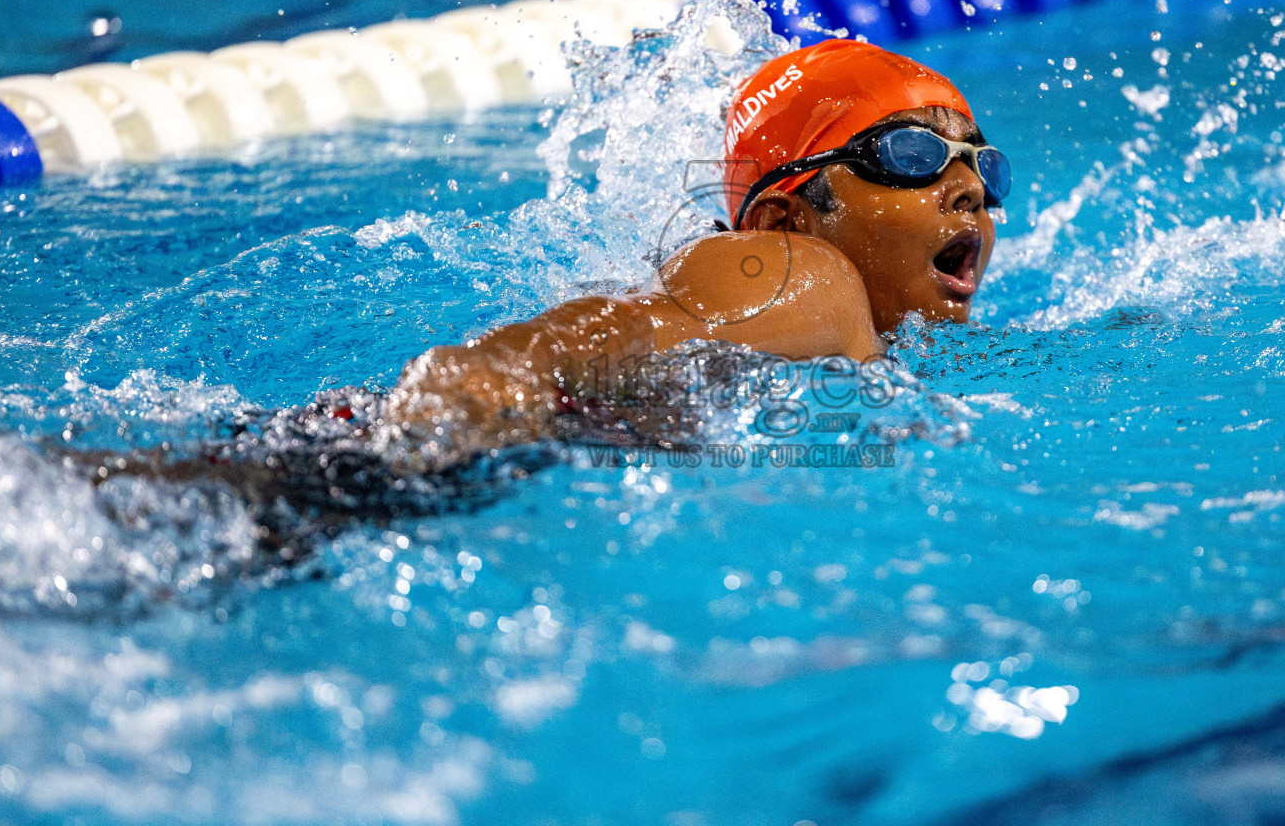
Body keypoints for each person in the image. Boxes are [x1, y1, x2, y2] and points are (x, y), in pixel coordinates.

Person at [71, 40, 1009, 561]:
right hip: (409, 449)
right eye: (912, 156)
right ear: (788, 214)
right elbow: (644, 328)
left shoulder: (856, 333)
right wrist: (496, 371)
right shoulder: (808, 276)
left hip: (421, 467)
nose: (964, 188)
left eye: (978, 163)